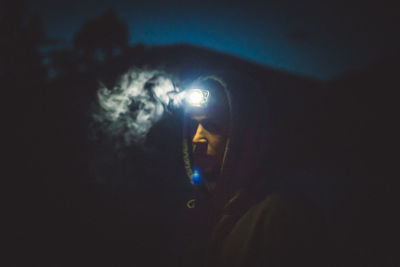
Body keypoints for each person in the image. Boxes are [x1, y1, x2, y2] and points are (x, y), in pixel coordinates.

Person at [178, 75, 330, 267]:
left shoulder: (281, 217)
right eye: (193, 126)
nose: (197, 138)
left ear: (245, 135)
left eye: (212, 126)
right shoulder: (198, 210)